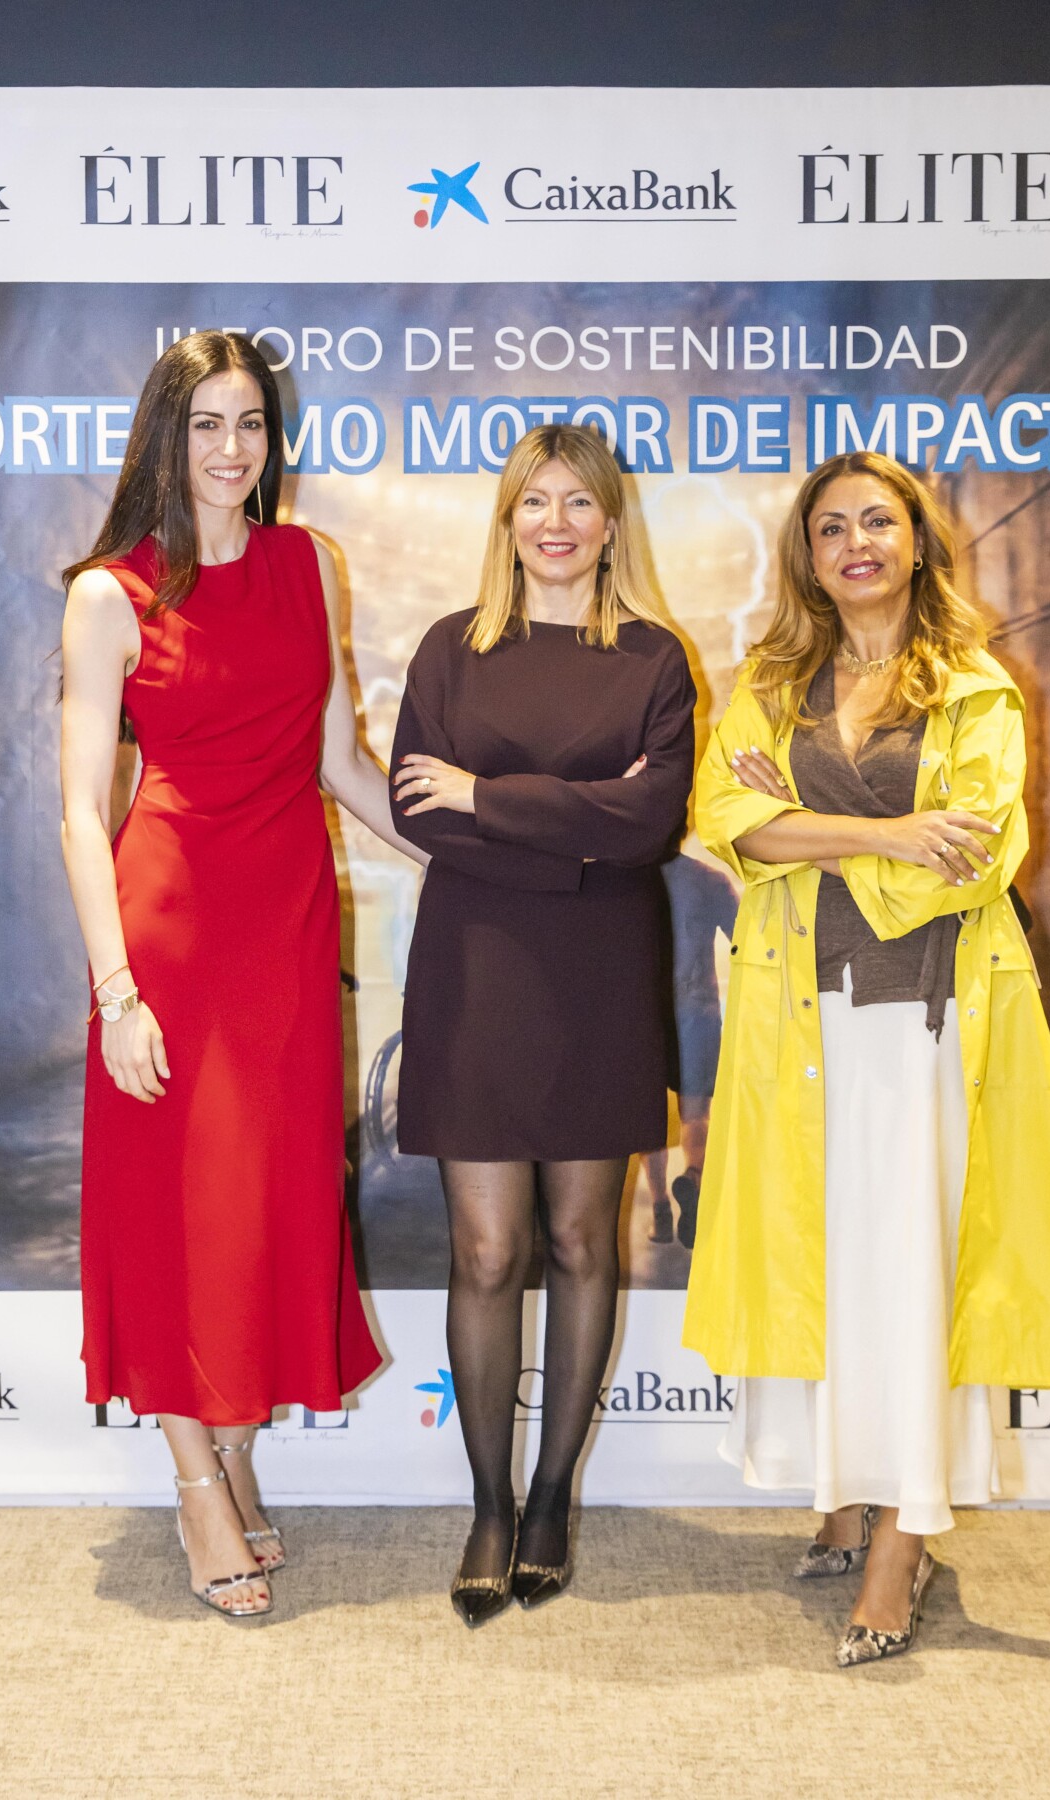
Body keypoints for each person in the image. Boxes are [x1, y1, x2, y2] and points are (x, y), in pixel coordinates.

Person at [682, 451, 1050, 1666]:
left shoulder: (975, 689)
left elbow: (971, 857)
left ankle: (902, 1536)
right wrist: (885, 830)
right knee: (831, 1266)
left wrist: (806, 829)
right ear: (807, 556)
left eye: (878, 522)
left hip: (926, 1027)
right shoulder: (773, 681)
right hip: (801, 1019)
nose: (856, 544)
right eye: (831, 528)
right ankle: (845, 1491)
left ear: (918, 542)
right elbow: (727, 821)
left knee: (911, 1269)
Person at [60, 330, 419, 1618]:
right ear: (167, 435)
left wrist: (482, 850)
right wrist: (116, 992)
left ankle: (235, 1443)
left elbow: (340, 762)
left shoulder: (307, 565)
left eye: (251, 423)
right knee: (177, 1205)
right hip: (167, 930)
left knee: (262, 1202)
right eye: (206, 423)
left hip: (287, 925)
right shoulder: (109, 594)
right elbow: (79, 809)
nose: (231, 448)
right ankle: (194, 1476)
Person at [390, 423, 695, 1625]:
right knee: (484, 1251)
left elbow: (653, 823)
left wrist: (490, 796)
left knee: (580, 1241)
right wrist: (577, 831)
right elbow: (424, 817)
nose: (555, 523)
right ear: (506, 520)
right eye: (534, 501)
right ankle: (488, 1503)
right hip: (474, 972)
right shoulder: (451, 649)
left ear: (612, 523)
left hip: (599, 981)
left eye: (578, 502)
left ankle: (554, 1495)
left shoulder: (654, 660)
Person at [641, 851, 739, 1249]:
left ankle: (661, 1211)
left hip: (643, 1015)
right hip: (697, 1010)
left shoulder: (630, 876)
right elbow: (745, 942)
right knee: (696, 1114)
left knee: (647, 1118)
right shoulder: (710, 879)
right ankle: (694, 1178)